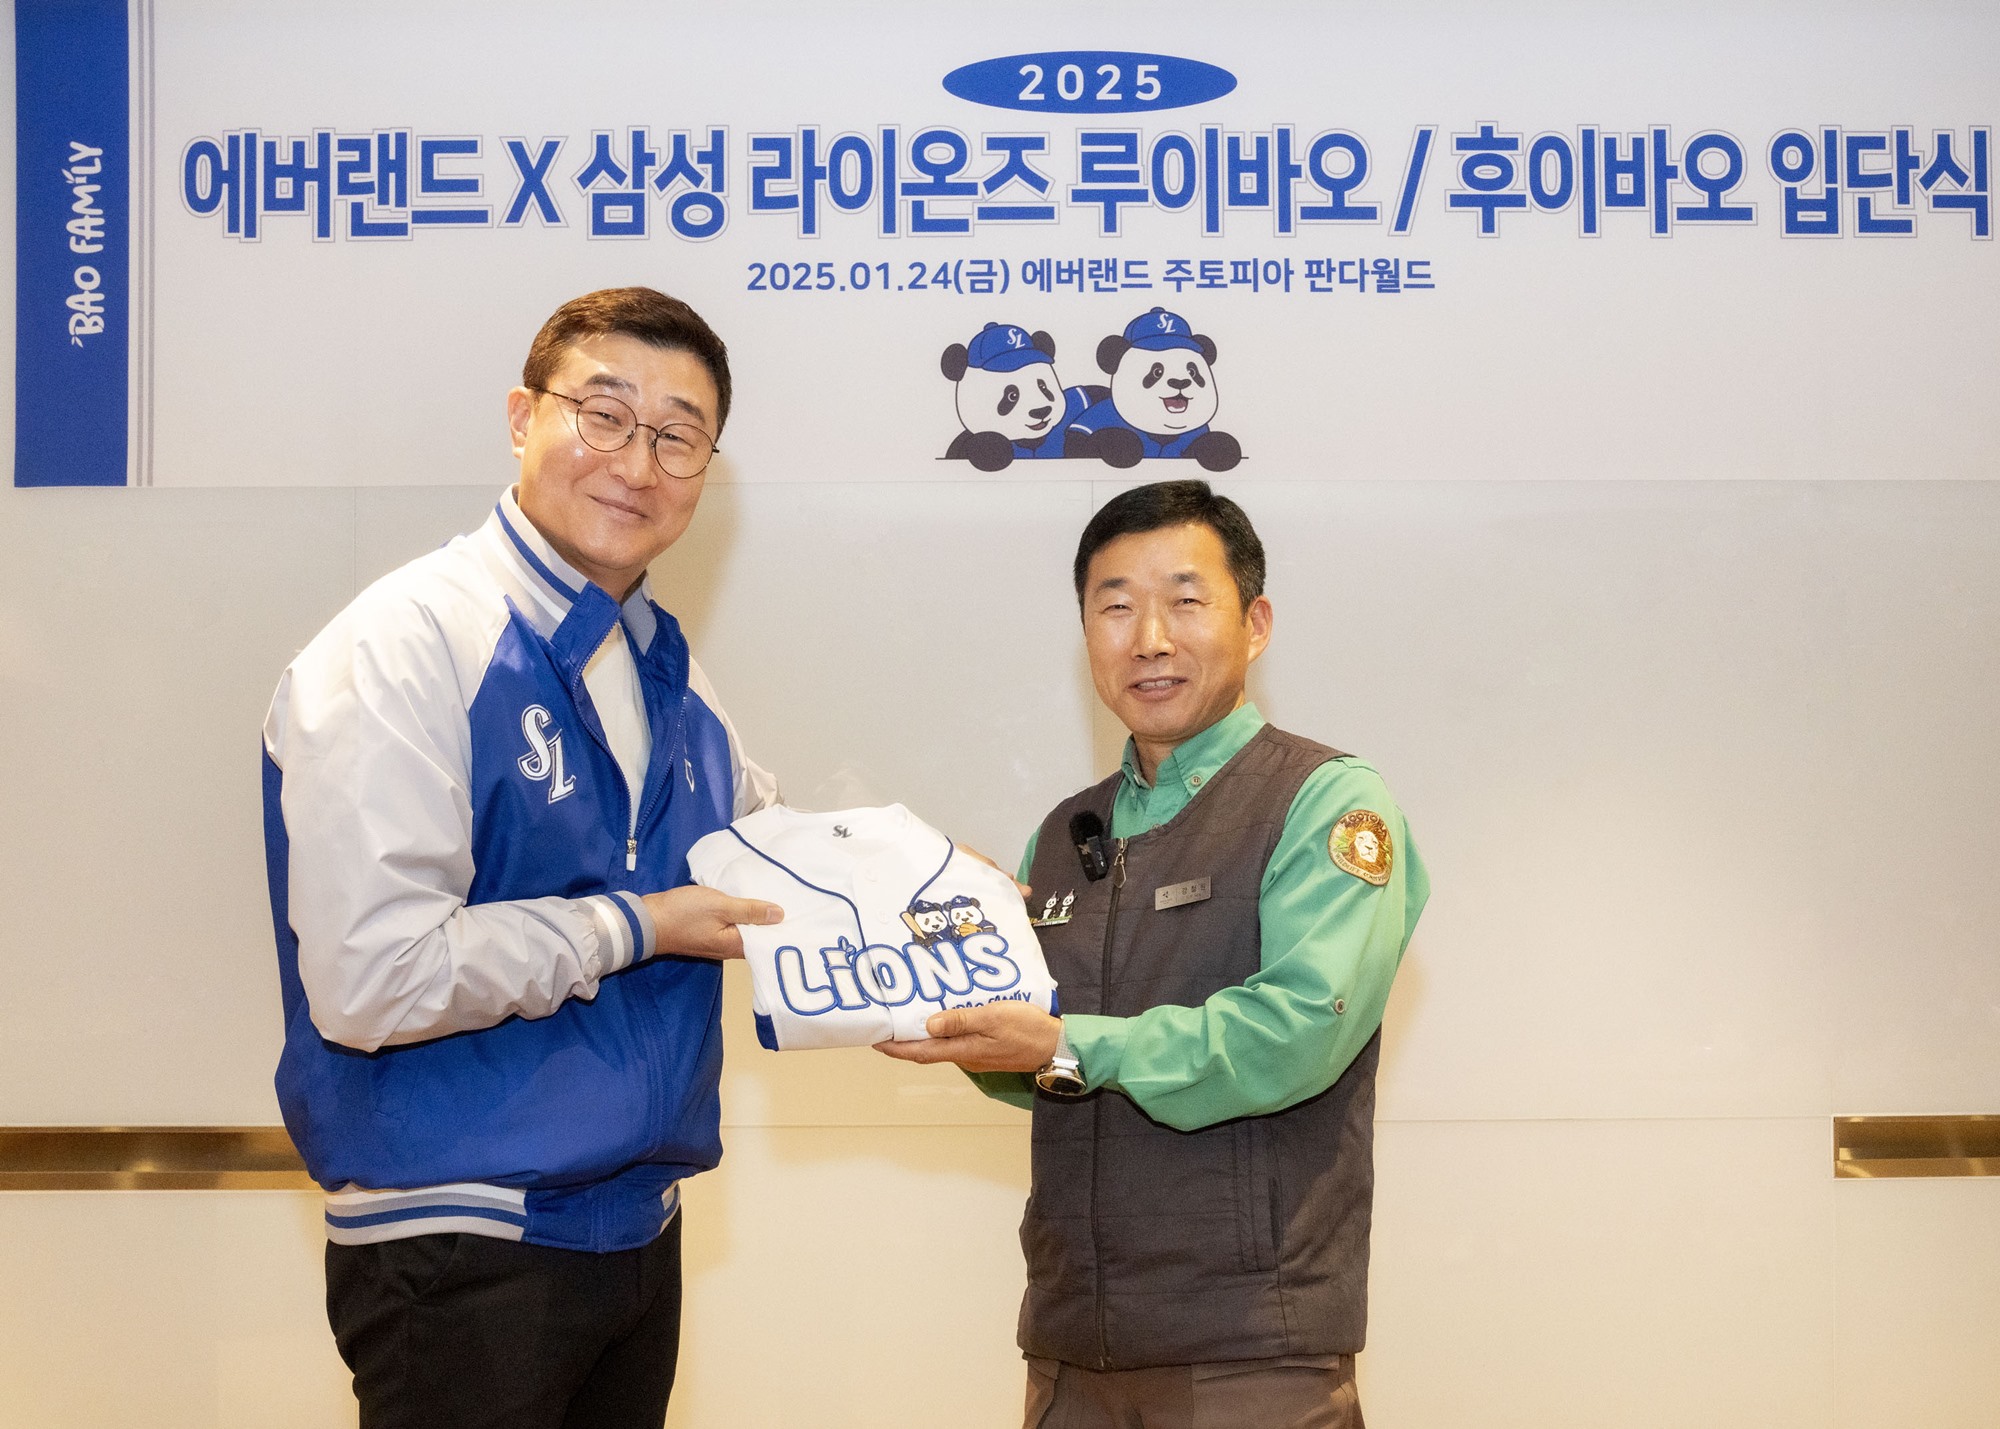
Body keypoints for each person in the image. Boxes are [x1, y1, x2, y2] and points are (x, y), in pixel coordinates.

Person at [260, 287, 785, 1428]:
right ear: (521, 417)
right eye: (604, 415)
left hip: (634, 1230)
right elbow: (373, 974)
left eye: (678, 436)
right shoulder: (407, 642)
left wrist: (936, 884)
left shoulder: (663, 666)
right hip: (459, 1240)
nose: (636, 464)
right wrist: (637, 924)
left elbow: (771, 858)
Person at [879, 479, 1429, 1428]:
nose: (1149, 639)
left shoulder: (1326, 800)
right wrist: (945, 974)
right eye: (1116, 606)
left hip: (1251, 1349)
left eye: (1185, 600)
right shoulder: (1067, 832)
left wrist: (1067, 1042)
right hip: (1071, 1346)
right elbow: (1043, 1061)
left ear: (1255, 624)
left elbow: (1297, 1030)